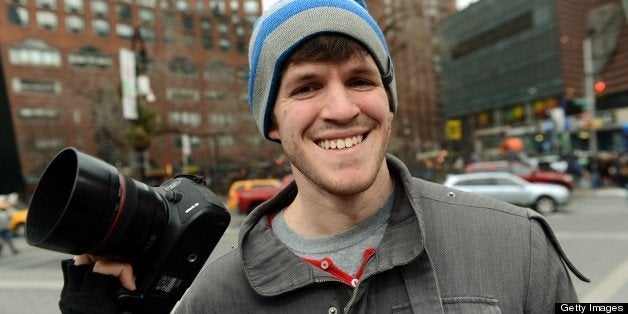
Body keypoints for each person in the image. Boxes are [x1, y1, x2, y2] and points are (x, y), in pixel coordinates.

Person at [60, 0, 588, 312]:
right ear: (271, 120)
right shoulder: (212, 298)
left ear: (388, 100)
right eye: (306, 87)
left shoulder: (518, 242)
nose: (340, 108)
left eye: (360, 80)